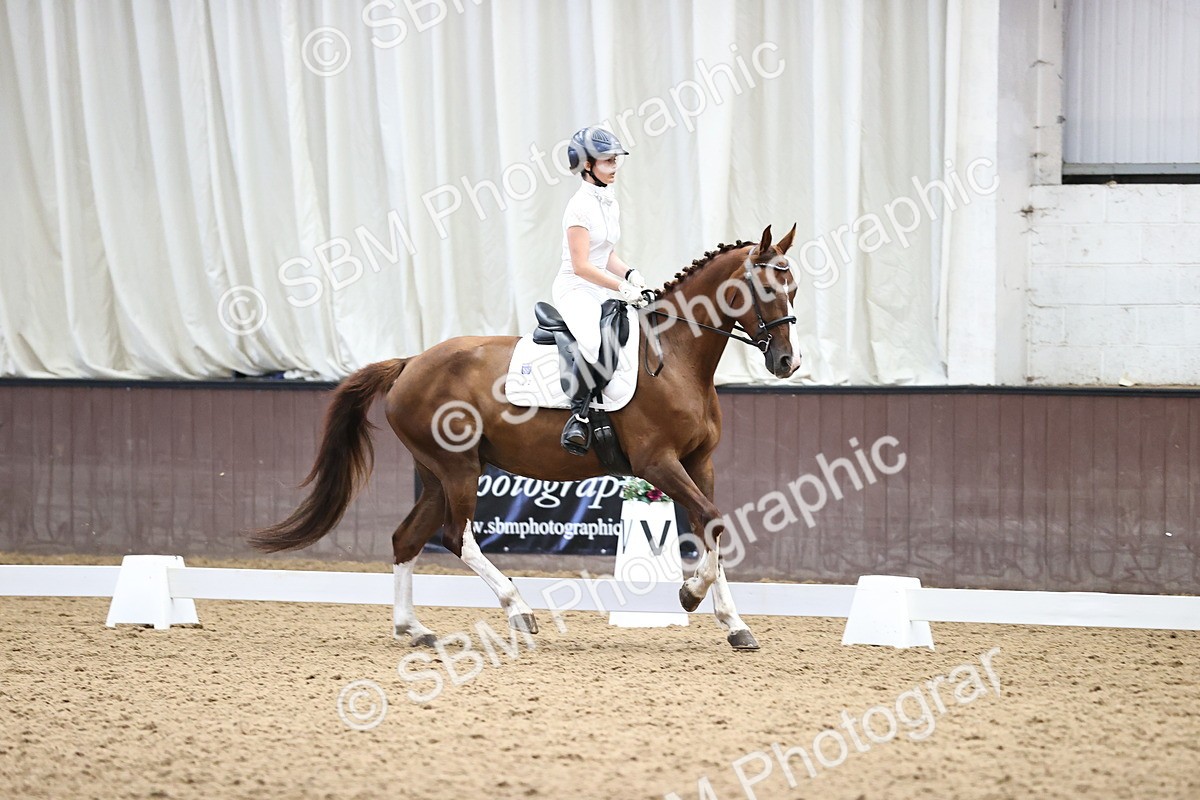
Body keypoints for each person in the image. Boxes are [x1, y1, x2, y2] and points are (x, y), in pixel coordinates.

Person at [554, 126, 646, 456]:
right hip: (576, 288)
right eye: (608, 161)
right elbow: (581, 265)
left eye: (615, 160)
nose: (614, 166)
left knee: (631, 335)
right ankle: (578, 416)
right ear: (587, 165)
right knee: (595, 342)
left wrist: (630, 273)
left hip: (600, 286)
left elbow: (605, 253)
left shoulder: (608, 201)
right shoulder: (578, 208)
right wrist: (621, 286)